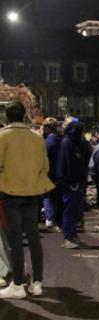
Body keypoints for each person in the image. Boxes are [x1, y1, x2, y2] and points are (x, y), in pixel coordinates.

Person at [0, 101, 54, 298]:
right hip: (32, 193)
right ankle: (37, 282)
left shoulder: (2, 136)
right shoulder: (36, 137)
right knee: (34, 240)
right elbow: (45, 166)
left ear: (7, 116)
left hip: (9, 193)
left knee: (15, 241)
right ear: (24, 116)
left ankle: (17, 284)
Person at [57, 119, 85, 249]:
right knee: (69, 210)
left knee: (73, 210)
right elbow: (68, 165)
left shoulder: (71, 142)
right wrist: (73, 181)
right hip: (69, 183)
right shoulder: (68, 143)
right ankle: (68, 236)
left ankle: (72, 234)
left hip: (72, 182)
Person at [41, 117, 62, 231]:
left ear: (48, 128)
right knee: (57, 198)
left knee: (48, 196)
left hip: (49, 173)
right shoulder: (62, 140)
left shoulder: (47, 143)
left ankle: (50, 218)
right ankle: (57, 220)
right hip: (60, 174)